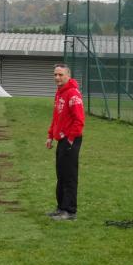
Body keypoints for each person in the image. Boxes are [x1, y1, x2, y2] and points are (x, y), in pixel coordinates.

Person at [46, 63, 85, 221]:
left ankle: (70, 211)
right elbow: (56, 117)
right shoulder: (59, 93)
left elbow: (79, 120)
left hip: (71, 140)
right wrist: (50, 135)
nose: (57, 77)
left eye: (60, 75)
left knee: (69, 176)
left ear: (68, 75)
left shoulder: (73, 94)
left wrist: (69, 139)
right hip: (61, 140)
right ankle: (61, 207)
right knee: (61, 175)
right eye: (55, 74)